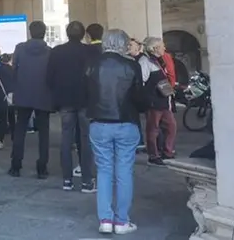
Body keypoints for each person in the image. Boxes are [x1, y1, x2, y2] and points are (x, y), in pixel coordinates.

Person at [87, 29, 146, 235]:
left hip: (99, 123)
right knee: (124, 171)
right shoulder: (132, 65)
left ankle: (105, 219)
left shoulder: (93, 65)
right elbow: (139, 98)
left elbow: (87, 94)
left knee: (103, 171)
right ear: (123, 44)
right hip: (126, 123)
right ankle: (121, 221)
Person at [46, 21, 97, 193]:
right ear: (84, 35)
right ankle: (87, 181)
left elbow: (49, 77)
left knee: (66, 139)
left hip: (65, 100)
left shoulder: (57, 51)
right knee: (86, 139)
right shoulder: (90, 51)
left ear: (67, 34)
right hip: (85, 100)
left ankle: (67, 180)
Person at [9, 21, 53, 179]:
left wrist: (15, 89)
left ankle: (16, 165)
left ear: (30, 32)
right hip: (43, 94)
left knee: (20, 130)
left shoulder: (20, 48)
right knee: (44, 133)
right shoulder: (49, 51)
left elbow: (14, 69)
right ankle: (42, 167)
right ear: (44, 33)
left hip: (23, 93)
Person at [139, 37, 178, 166]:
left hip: (164, 100)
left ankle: (167, 151)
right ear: (155, 48)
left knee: (171, 126)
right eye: (162, 46)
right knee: (153, 129)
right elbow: (142, 81)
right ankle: (153, 155)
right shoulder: (145, 61)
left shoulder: (159, 60)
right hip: (154, 101)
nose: (164, 48)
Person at [0, 54, 16, 150]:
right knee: (12, 118)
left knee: (2, 118)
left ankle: (0, 140)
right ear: (9, 60)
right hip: (12, 96)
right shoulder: (13, 70)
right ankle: (15, 139)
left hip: (1, 97)